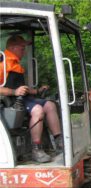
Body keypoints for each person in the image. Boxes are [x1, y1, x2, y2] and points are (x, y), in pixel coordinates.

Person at [0, 35, 63, 163]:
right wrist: (14, 92)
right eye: (22, 48)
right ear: (12, 47)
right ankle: (36, 149)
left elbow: (21, 88)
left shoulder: (15, 63)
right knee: (38, 110)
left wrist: (36, 91)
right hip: (10, 101)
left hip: (23, 98)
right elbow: (13, 89)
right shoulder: (3, 63)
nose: (24, 51)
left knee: (50, 105)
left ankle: (59, 141)